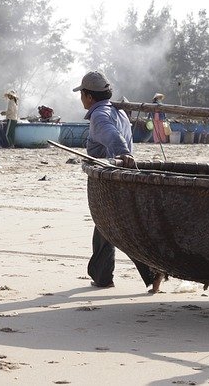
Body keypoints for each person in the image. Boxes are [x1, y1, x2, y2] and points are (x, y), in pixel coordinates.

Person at [73, 70, 165, 293]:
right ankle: (103, 276)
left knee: (116, 228)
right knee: (108, 226)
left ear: (89, 96)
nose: (81, 98)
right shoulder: (118, 111)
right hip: (122, 177)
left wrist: (122, 155)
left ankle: (151, 270)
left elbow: (112, 135)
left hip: (108, 179)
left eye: (82, 94)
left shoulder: (99, 115)